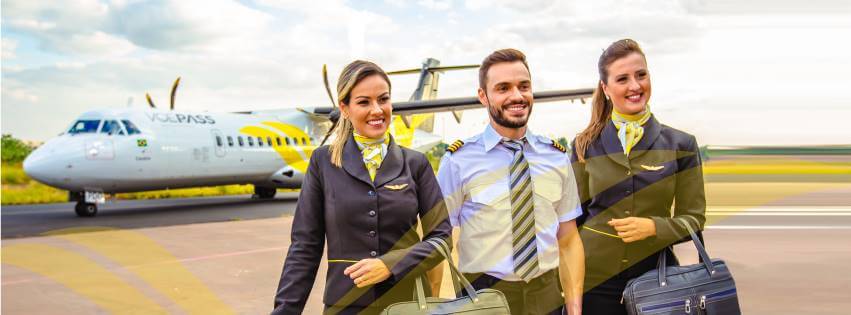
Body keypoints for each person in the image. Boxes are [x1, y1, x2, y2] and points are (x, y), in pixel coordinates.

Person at [272, 60, 452, 315]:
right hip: (345, 307)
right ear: (344, 108)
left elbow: (442, 239)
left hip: (408, 305)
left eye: (383, 99)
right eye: (364, 102)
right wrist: (285, 311)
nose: (377, 110)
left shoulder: (416, 164)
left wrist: (391, 264)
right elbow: (305, 246)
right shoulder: (322, 162)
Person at [437, 48, 585, 315]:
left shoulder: (556, 158)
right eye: (503, 88)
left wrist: (574, 308)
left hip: (547, 294)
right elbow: (438, 239)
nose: (516, 96)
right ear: (483, 96)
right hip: (482, 297)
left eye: (523, 86)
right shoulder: (457, 161)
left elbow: (569, 238)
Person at [570, 39, 706, 314]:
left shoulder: (682, 144)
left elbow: (695, 218)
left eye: (641, 75)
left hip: (658, 281)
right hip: (596, 287)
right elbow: (572, 224)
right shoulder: (584, 146)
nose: (635, 86)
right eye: (623, 79)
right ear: (606, 89)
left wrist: (655, 228)